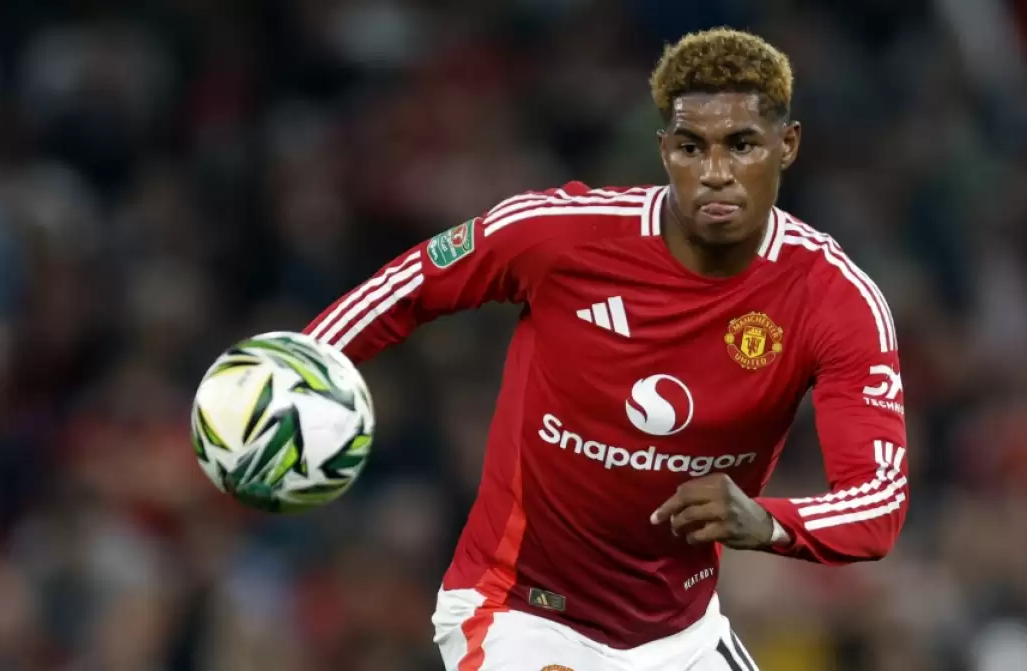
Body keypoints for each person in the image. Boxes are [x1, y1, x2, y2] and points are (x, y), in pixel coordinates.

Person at [305, 27, 909, 671]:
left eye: (741, 145)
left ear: (786, 145)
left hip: (682, 638)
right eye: (691, 147)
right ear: (664, 150)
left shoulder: (835, 300)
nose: (715, 173)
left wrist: (767, 522)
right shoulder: (564, 236)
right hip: (519, 613)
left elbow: (878, 503)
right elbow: (407, 288)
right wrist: (296, 364)